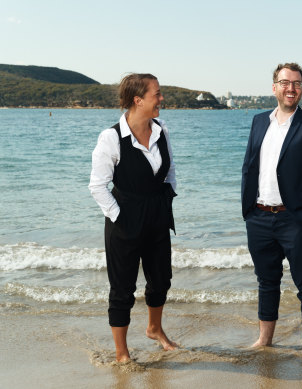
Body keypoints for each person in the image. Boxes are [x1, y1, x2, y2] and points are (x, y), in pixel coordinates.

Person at [241, 62, 302, 361]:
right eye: (285, 82)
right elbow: (250, 165)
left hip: (296, 220)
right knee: (266, 281)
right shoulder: (259, 121)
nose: (290, 88)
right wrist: (247, 209)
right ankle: (264, 340)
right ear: (274, 87)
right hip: (258, 216)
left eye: (296, 83)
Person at [89, 73, 178, 362]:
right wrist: (119, 217)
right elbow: (97, 185)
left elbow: (170, 168)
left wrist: (168, 198)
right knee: (123, 288)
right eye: (157, 94)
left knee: (161, 279)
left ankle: (154, 329)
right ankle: (122, 353)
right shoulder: (111, 138)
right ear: (138, 100)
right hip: (124, 220)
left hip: (157, 215)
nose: (161, 99)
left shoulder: (162, 129)